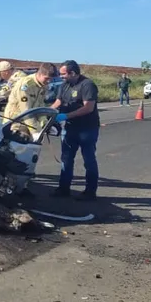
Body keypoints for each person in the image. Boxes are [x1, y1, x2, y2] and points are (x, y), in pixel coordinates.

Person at [50, 60, 100, 201]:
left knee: (88, 160)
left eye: (63, 74)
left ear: (73, 73)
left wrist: (66, 115)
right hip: (70, 128)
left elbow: (88, 108)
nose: (61, 77)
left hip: (87, 129)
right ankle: (63, 188)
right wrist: (48, 111)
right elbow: (58, 102)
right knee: (66, 159)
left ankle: (90, 192)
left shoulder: (87, 85)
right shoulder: (64, 85)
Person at [3, 62, 56, 137]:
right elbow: (25, 111)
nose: (48, 81)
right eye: (46, 78)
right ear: (39, 74)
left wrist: (45, 125)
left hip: (29, 125)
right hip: (15, 125)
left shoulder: (43, 86)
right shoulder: (26, 85)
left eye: (51, 79)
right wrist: (35, 132)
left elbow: (40, 107)